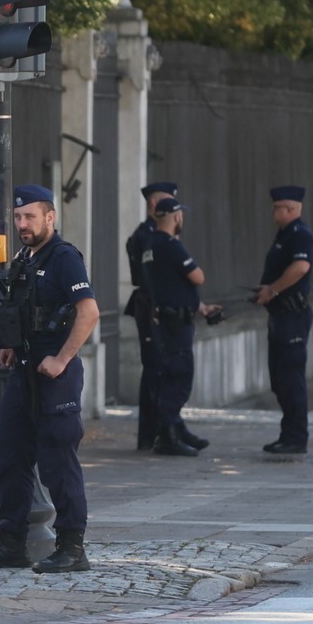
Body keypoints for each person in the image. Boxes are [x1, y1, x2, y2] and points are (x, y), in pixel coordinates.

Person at [0, 184, 100, 574]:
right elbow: (24, 310)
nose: (23, 224)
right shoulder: (24, 258)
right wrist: (11, 345)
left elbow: (89, 312)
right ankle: (11, 543)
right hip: (23, 371)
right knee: (10, 456)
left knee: (58, 460)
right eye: (18, 217)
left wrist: (62, 359)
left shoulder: (63, 258)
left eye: (30, 217)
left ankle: (72, 547)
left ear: (50, 218)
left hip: (54, 376)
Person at [141, 196, 220, 456]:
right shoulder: (172, 245)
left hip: (166, 319)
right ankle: (168, 435)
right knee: (179, 377)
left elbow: (170, 286)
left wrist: (200, 307)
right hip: (176, 326)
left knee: (170, 377)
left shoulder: (151, 244)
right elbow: (197, 276)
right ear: (176, 217)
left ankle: (176, 430)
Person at [254, 185, 313, 455]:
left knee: (290, 377)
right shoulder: (284, 234)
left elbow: (301, 267)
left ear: (290, 209)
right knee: (279, 378)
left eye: (277, 207)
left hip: (292, 316)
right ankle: (288, 432)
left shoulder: (299, 234)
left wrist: (273, 289)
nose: (273, 212)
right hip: (279, 315)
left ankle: (296, 436)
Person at [124, 181, 178, 450]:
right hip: (151, 305)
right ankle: (153, 433)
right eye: (170, 204)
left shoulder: (154, 234)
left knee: (161, 368)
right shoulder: (147, 235)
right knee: (155, 368)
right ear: (156, 205)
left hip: (156, 304)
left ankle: (164, 429)